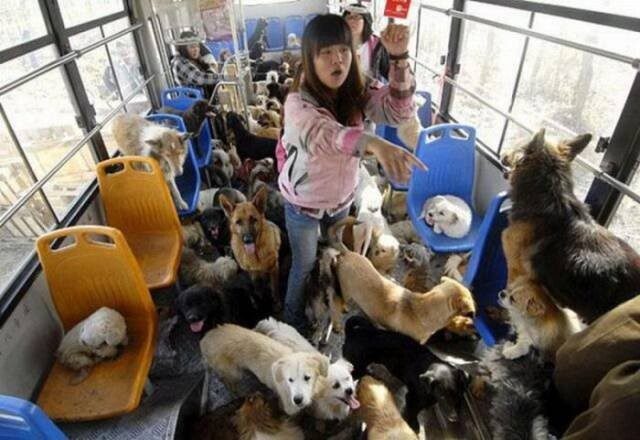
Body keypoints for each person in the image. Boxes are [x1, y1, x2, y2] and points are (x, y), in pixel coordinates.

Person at [277, 14, 425, 331]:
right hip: (303, 204)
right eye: (326, 52)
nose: (338, 60)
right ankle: (291, 322)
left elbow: (398, 112)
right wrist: (373, 143)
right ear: (310, 58)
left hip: (341, 199)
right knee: (304, 265)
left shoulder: (358, 88)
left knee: (337, 257)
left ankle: (332, 304)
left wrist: (399, 58)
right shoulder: (297, 104)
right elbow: (327, 135)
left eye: (344, 50)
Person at [343, 2, 390, 82]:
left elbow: (389, 73)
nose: (352, 21)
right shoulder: (337, 43)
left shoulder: (378, 45)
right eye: (349, 17)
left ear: (366, 21)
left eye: (357, 17)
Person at [170, 31, 220, 97]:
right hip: (191, 101)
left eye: (197, 46)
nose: (196, 49)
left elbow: (209, 70)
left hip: (202, 98)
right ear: (184, 48)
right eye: (192, 47)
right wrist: (223, 77)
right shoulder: (179, 62)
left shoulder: (194, 59)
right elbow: (199, 78)